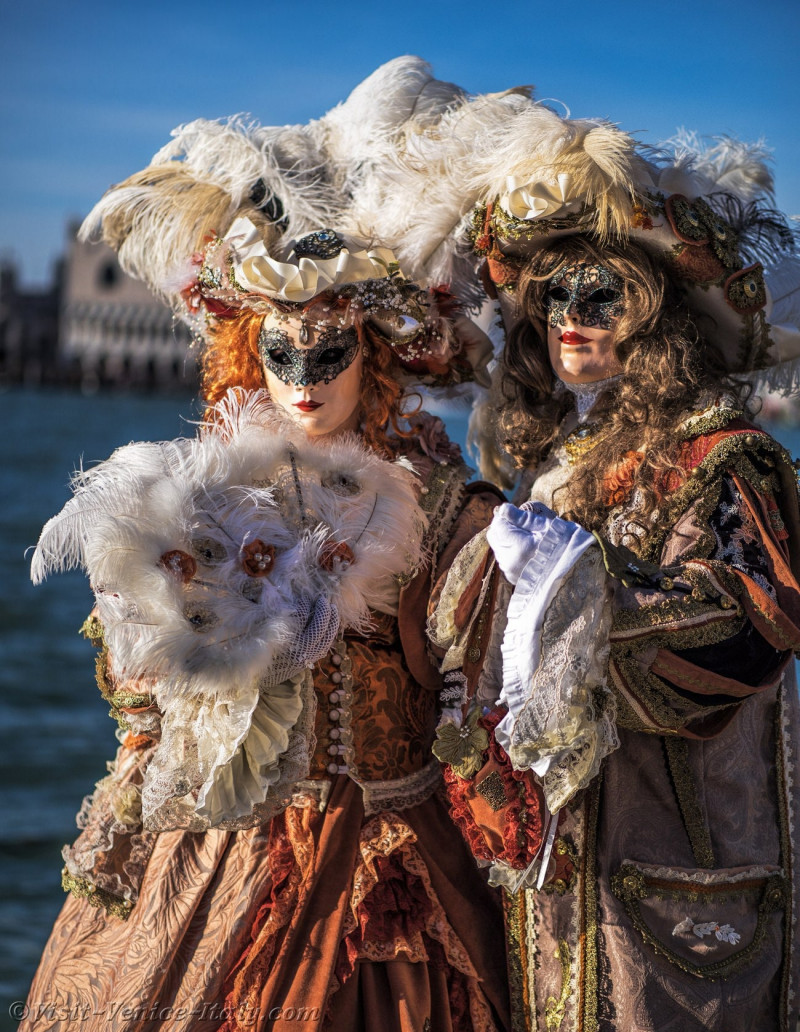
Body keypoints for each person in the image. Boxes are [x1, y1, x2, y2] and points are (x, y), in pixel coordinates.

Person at [20, 75, 511, 1032]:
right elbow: (139, 693)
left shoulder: (440, 505)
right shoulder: (203, 491)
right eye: (281, 354)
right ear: (252, 351)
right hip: (223, 847)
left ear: (374, 357)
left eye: (330, 352)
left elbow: (468, 695)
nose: (304, 380)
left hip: (384, 854)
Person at [422, 107, 800, 1031]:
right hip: (558, 886)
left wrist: (584, 590)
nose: (568, 320)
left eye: (598, 294)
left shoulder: (725, 456)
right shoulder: (549, 468)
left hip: (673, 876)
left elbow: (754, 630)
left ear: (655, 309)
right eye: (551, 299)